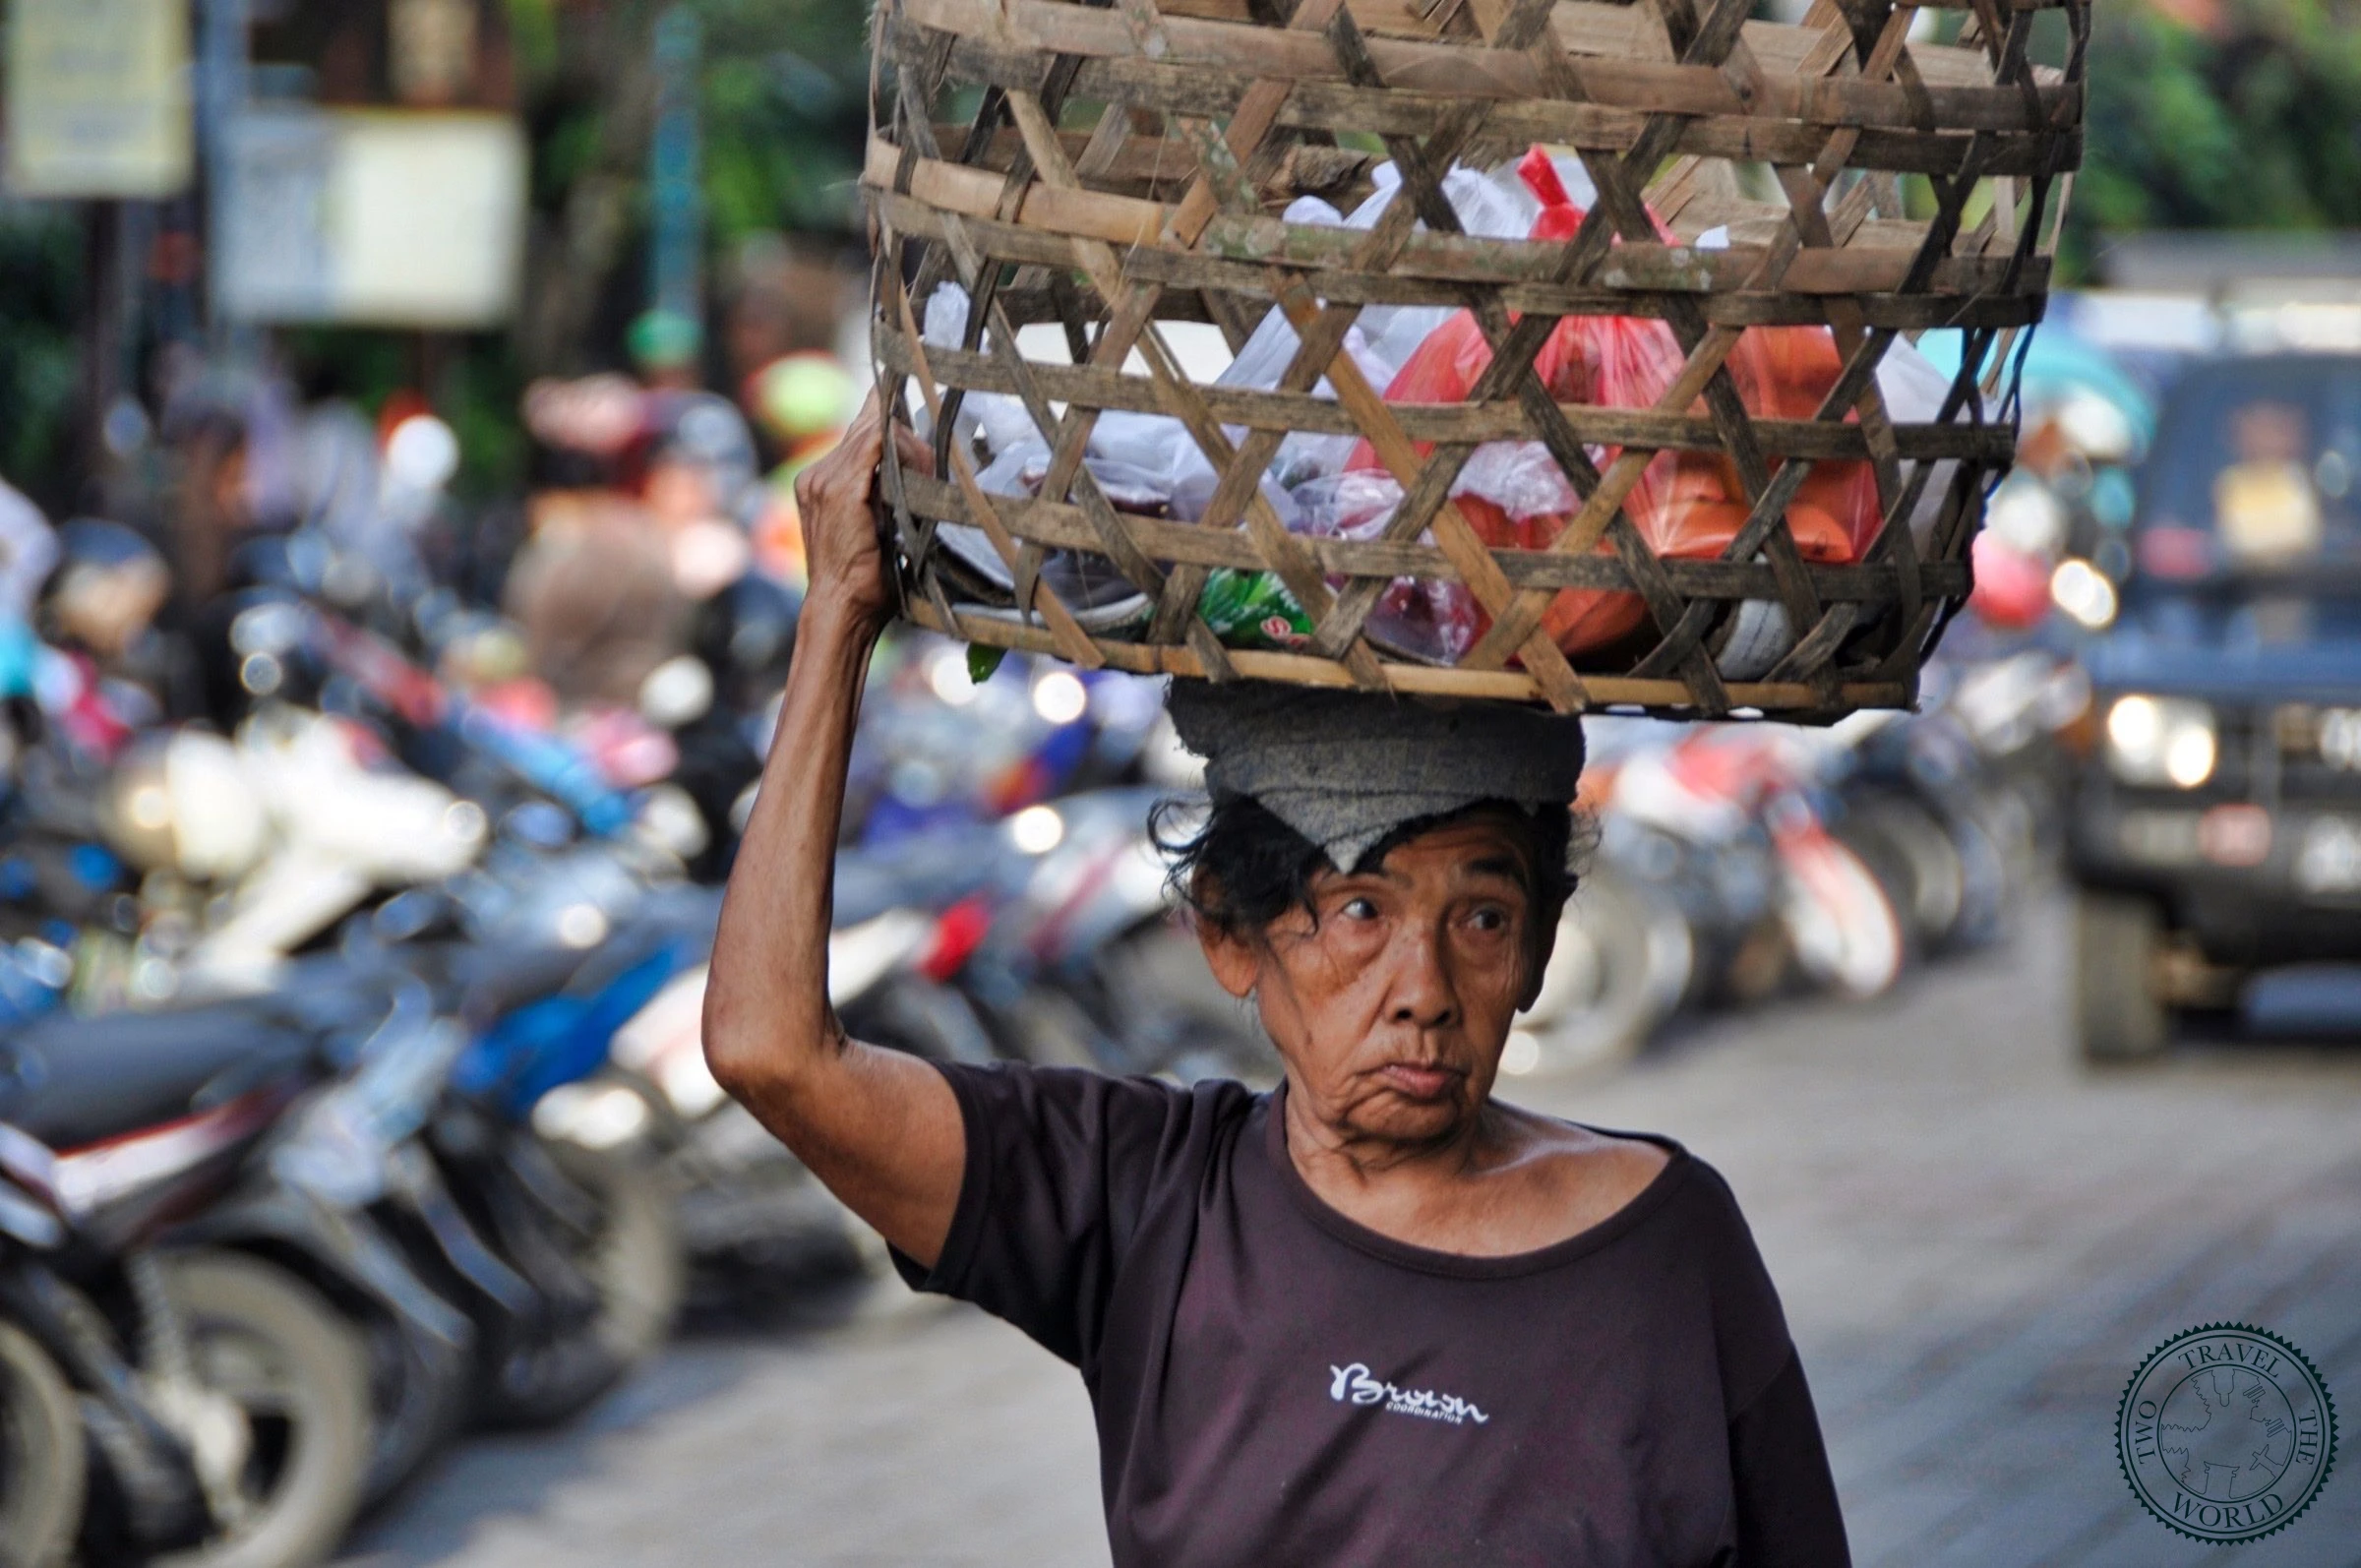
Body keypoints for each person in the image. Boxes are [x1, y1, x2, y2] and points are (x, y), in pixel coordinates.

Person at [704, 396, 1849, 1566]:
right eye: (1360, 910)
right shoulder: (1142, 1200)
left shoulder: (1664, 1240)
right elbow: (769, 1051)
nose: (1426, 988)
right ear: (1230, 936)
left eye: (1484, 916)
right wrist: (837, 618)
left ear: (1543, 946)